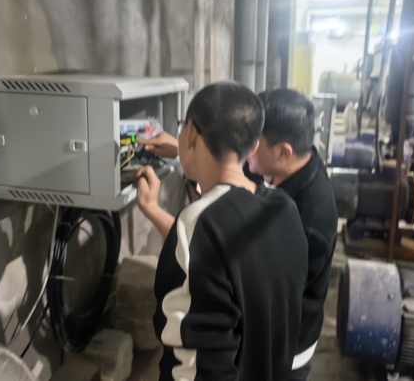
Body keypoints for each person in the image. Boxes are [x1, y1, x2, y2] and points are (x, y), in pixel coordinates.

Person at [141, 88, 338, 381]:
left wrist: (151, 208)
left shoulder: (314, 214)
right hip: (270, 356)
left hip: (289, 351)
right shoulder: (285, 206)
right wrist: (184, 150)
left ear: (191, 133)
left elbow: (193, 363)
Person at [245, 89, 338, 381]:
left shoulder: (310, 220)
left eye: (253, 143)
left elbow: (261, 289)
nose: (245, 150)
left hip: (283, 352)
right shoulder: (290, 163)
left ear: (284, 152)